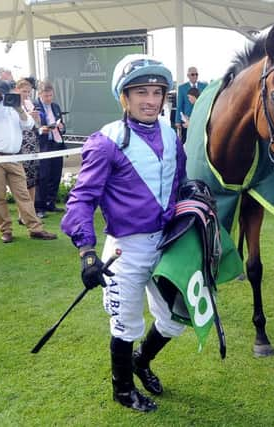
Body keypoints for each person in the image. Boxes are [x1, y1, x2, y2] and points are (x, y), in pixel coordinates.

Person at [61, 54, 187, 413]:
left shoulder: (171, 134)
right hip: (125, 251)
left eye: (157, 92)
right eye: (140, 92)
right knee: (125, 324)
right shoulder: (106, 141)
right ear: (124, 97)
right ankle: (122, 390)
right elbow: (81, 200)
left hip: (166, 244)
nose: (150, 100)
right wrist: (87, 252)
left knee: (175, 317)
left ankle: (141, 362)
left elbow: (179, 183)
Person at [0, 73, 57, 244]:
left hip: (13, 156)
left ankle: (35, 228)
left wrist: (19, 108)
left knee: (23, 194)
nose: (3, 94)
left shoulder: (15, 106)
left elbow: (29, 125)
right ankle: (6, 230)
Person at [34, 80, 66, 217]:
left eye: (51, 95)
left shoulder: (56, 107)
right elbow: (31, 128)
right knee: (43, 176)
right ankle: (40, 207)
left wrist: (61, 127)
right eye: (46, 96)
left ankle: (50, 203)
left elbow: (61, 124)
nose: (49, 98)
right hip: (43, 146)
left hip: (57, 144)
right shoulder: (34, 107)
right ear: (40, 94)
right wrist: (42, 130)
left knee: (55, 174)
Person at [15, 78, 41, 222]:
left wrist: (36, 119)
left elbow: (37, 126)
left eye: (28, 92)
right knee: (21, 182)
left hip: (32, 144)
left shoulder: (29, 104)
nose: (26, 94)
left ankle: (30, 212)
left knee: (32, 180)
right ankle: (22, 214)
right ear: (17, 90)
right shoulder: (13, 105)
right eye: (24, 91)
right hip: (20, 146)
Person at [175, 66, 207, 143]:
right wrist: (178, 120)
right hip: (186, 119)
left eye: (196, 74)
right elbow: (179, 105)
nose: (195, 76)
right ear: (188, 76)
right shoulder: (182, 88)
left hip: (200, 120)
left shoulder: (204, 86)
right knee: (186, 141)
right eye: (193, 74)